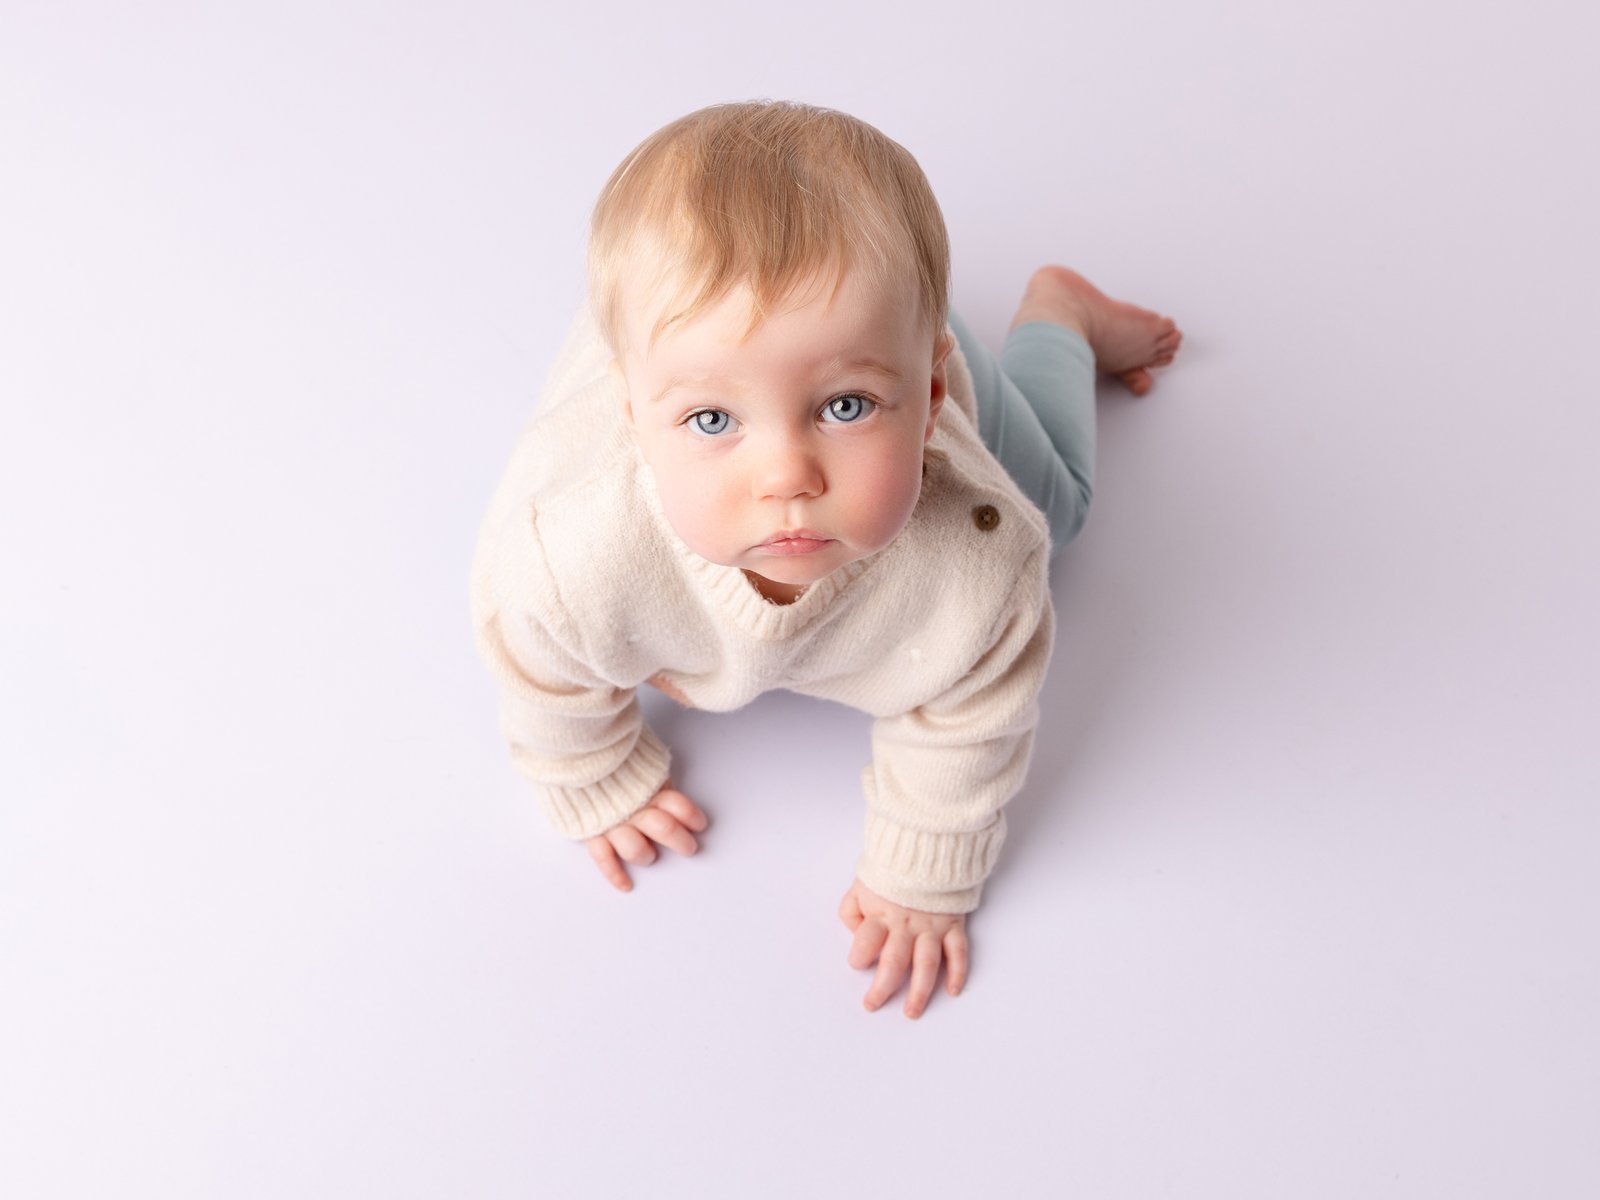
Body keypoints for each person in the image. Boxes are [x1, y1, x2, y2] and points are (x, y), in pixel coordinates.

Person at [470, 100, 1181, 1019]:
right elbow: (541, 667)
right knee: (744, 344)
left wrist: (921, 868)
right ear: (634, 417)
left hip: (880, 333)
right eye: (712, 422)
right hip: (749, 333)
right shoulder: (570, 555)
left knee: (1068, 516)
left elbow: (972, 719)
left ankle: (1060, 317)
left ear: (926, 395)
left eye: (845, 409)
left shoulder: (977, 557)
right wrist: (593, 773)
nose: (788, 478)